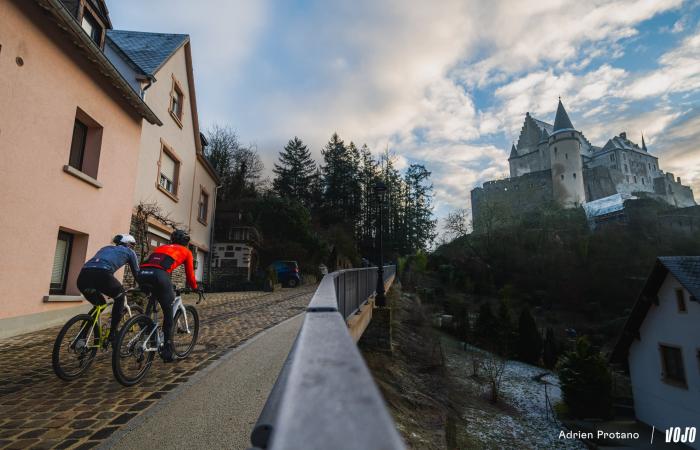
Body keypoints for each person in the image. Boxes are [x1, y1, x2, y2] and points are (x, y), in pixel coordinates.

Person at [138, 229, 198, 362]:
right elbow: (190, 275)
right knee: (168, 310)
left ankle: (145, 325)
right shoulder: (186, 252)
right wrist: (195, 287)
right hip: (159, 276)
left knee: (154, 296)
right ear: (186, 243)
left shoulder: (162, 247)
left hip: (142, 273)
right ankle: (167, 350)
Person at [77, 234, 140, 347]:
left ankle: (81, 337)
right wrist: (143, 287)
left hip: (83, 276)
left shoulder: (105, 248)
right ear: (129, 244)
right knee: (120, 297)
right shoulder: (129, 252)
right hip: (102, 275)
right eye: (133, 245)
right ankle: (113, 333)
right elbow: (137, 273)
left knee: (100, 304)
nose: (133, 248)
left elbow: (98, 263)